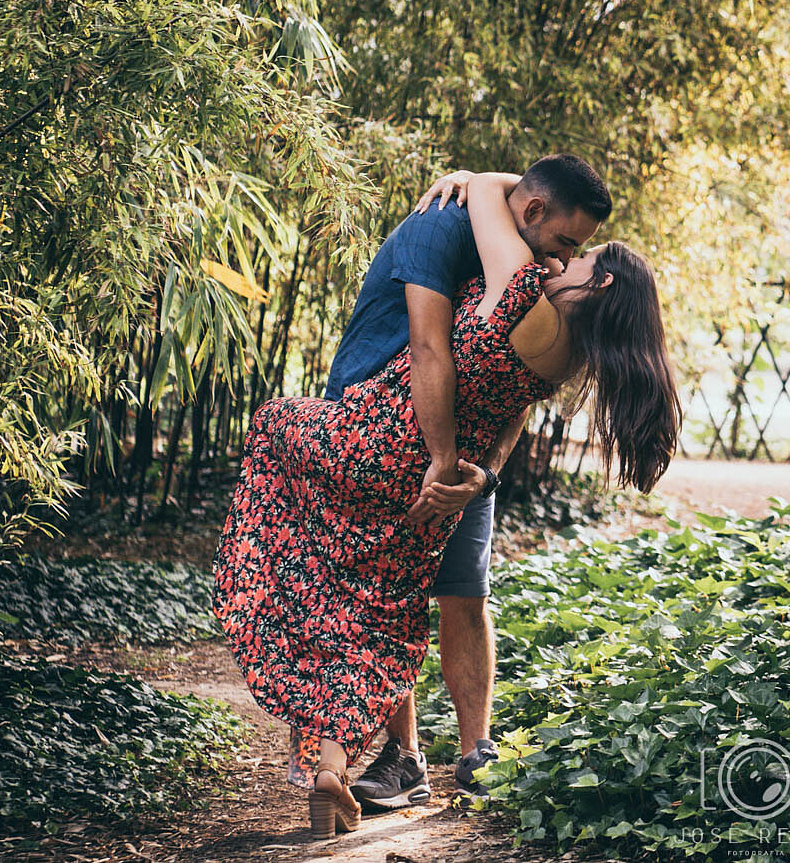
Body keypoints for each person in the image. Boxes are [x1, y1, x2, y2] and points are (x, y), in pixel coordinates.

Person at [212, 158, 682, 837]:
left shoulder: (517, 289)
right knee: (375, 615)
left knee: (274, 432)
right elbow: (509, 404)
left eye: (580, 256)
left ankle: (288, 633)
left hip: (377, 439)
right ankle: (329, 767)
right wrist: (480, 472)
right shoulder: (571, 353)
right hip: (436, 489)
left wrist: (472, 172)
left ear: (599, 280)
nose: (563, 261)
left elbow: (497, 202)